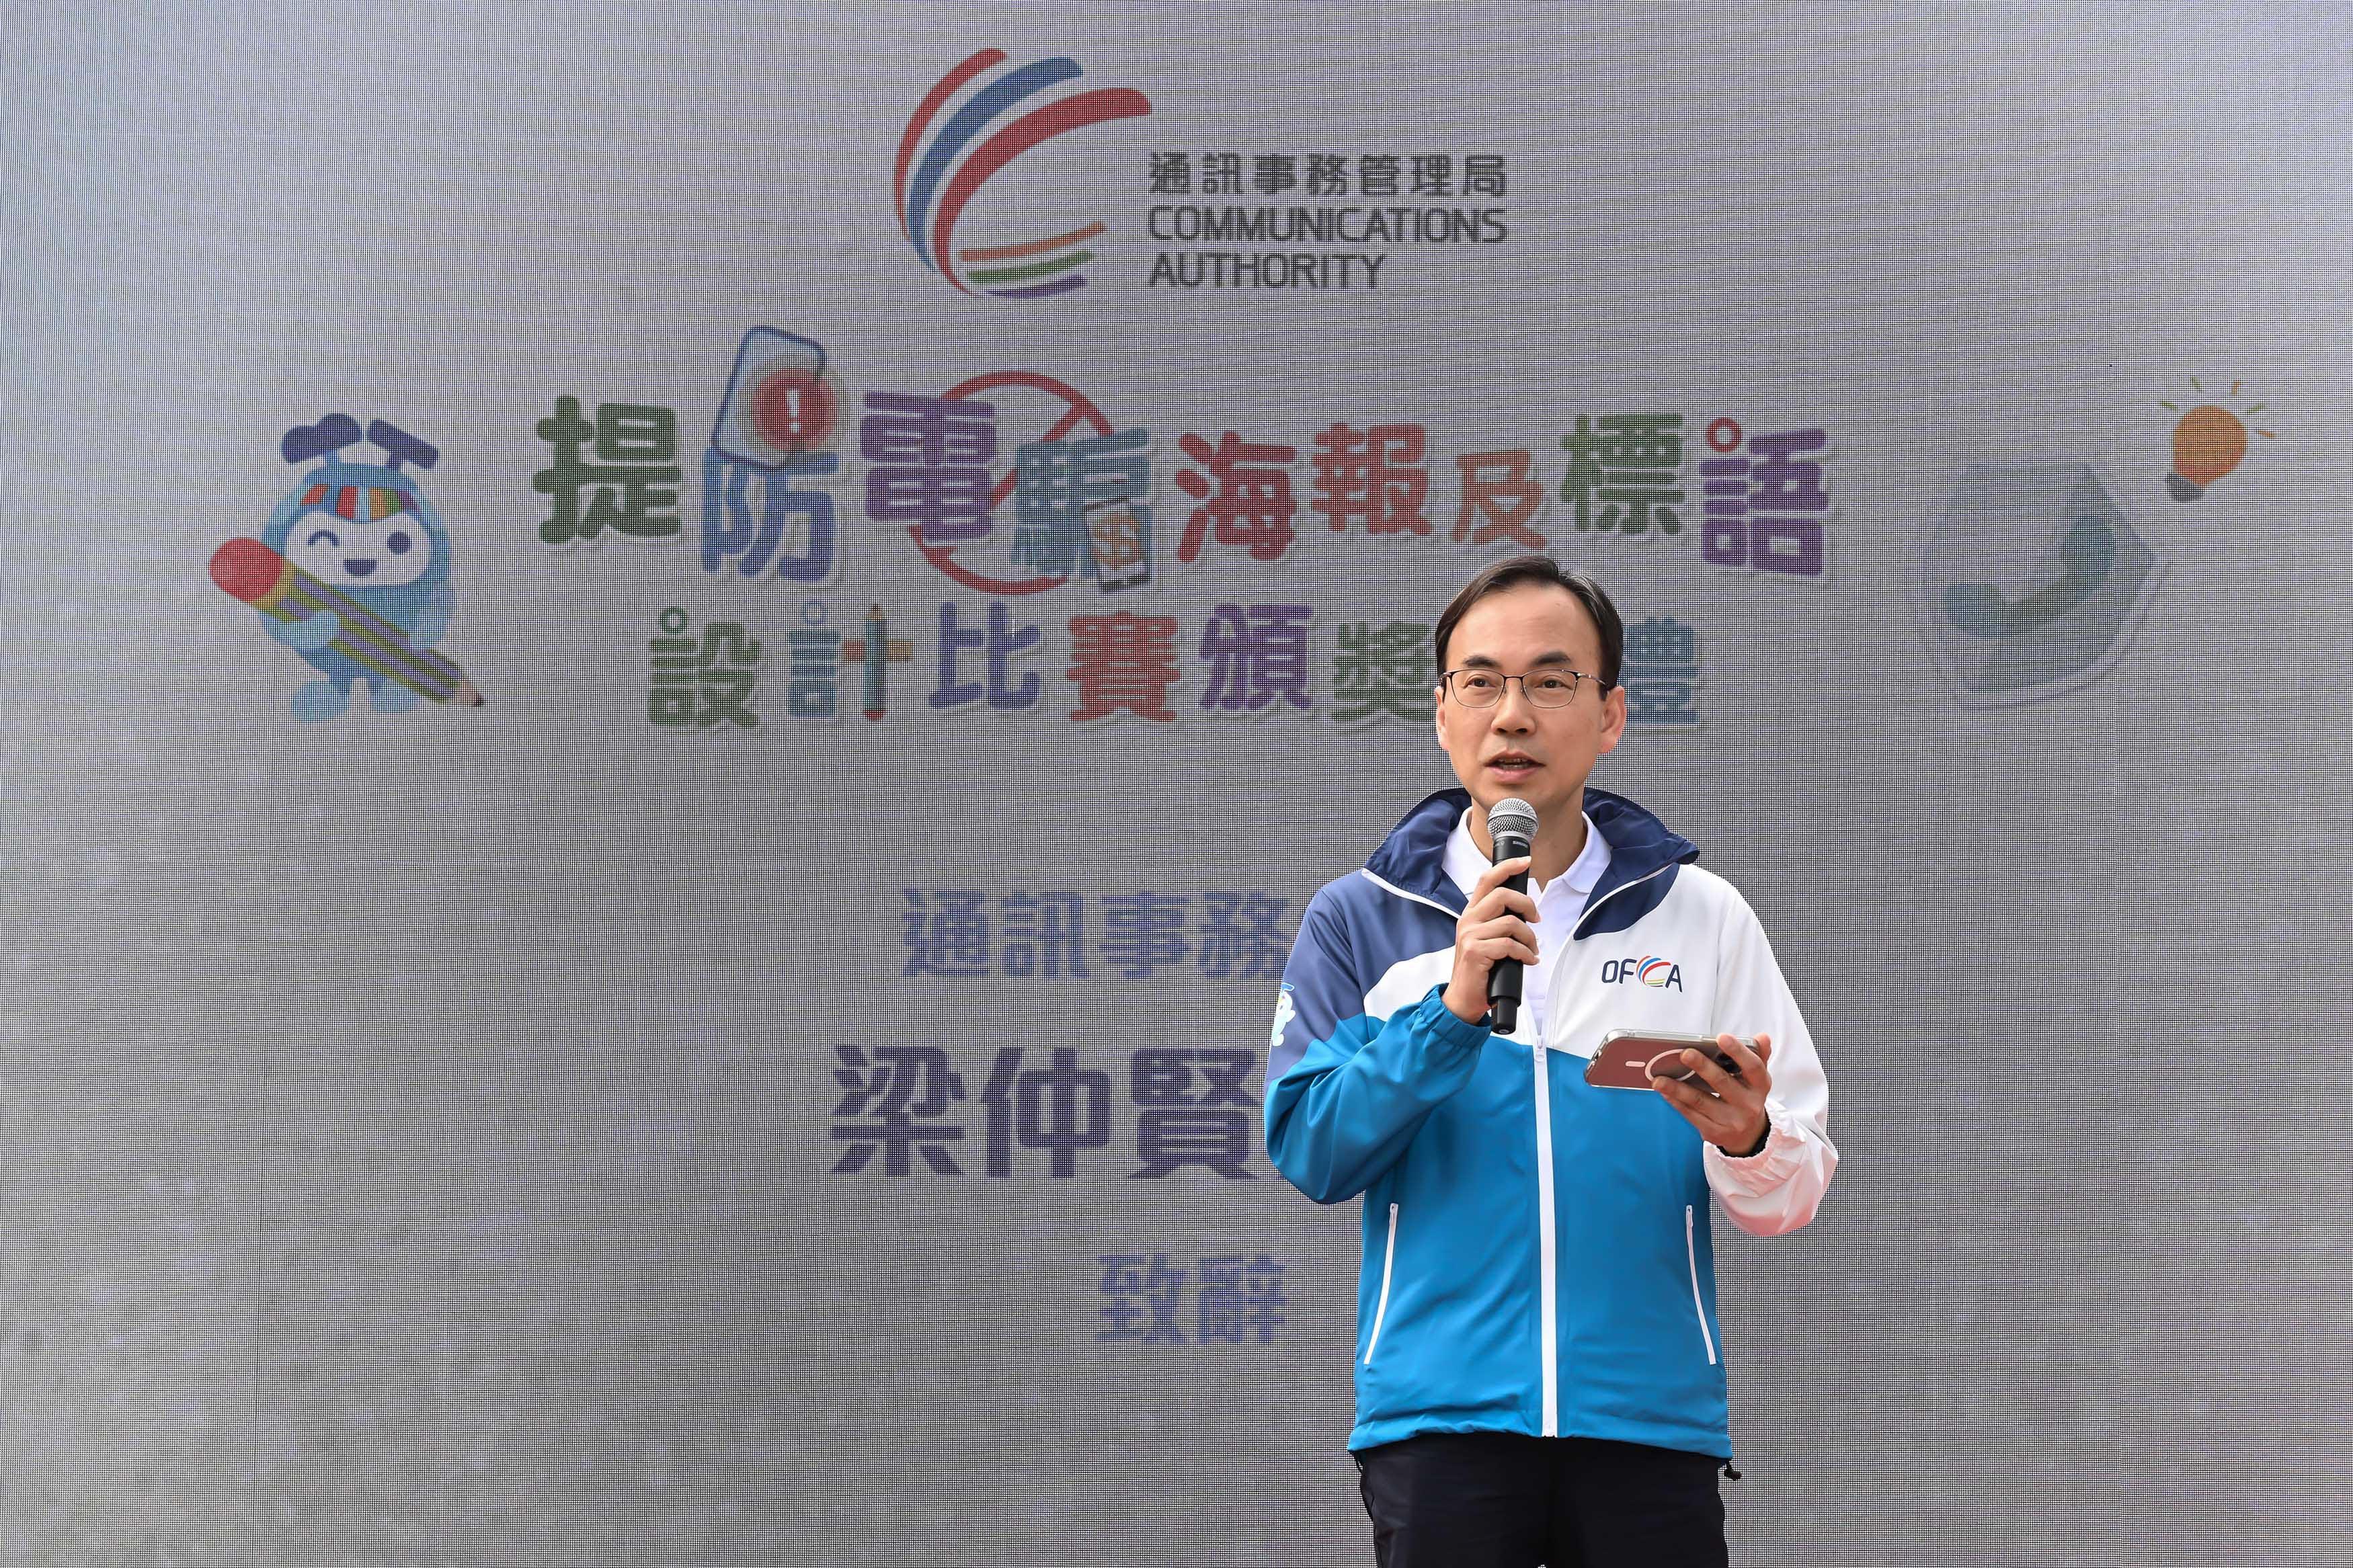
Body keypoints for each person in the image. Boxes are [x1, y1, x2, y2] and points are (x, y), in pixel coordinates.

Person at [1264, 556, 1837, 1567]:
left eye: (1551, 680)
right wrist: (1452, 1011)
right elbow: (1311, 1145)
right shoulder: (1355, 918)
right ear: (1442, 712)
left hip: (1646, 1423)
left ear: (1611, 713)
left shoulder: (1702, 917)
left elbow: (1789, 1189)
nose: (1512, 714)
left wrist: (1750, 1138)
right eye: (1479, 681)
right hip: (1440, 1422)